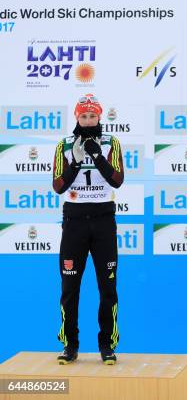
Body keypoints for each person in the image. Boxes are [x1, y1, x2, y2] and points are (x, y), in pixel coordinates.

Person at [52, 94, 124, 365]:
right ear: (77, 118)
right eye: (84, 116)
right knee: (70, 287)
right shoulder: (65, 145)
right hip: (74, 222)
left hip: (104, 221)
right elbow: (58, 186)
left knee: (108, 287)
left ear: (100, 117)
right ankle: (70, 345)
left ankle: (107, 344)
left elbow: (117, 180)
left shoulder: (111, 143)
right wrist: (78, 162)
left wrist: (97, 156)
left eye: (93, 116)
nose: (88, 120)